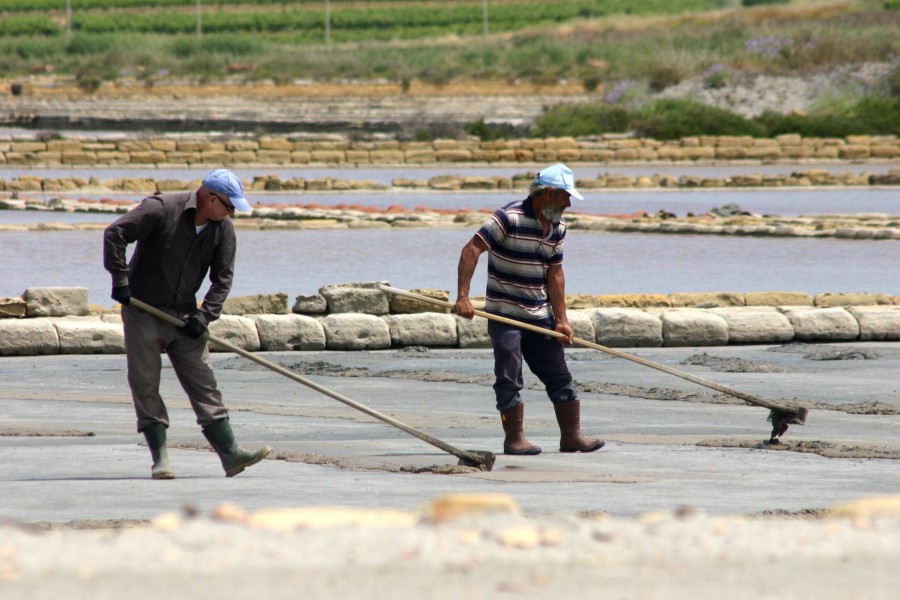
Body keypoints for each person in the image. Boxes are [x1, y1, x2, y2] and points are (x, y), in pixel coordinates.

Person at [103, 168, 271, 479]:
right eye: (229, 205)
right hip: (143, 311)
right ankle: (161, 459)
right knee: (145, 383)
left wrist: (204, 316)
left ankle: (231, 454)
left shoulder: (223, 228)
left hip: (183, 316)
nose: (232, 212)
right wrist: (120, 280)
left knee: (204, 382)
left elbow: (223, 278)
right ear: (210, 197)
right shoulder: (161, 209)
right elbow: (115, 234)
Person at [454, 163, 604, 456]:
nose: (569, 204)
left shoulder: (558, 227)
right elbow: (471, 249)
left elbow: (555, 274)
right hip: (505, 314)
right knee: (509, 375)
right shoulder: (508, 217)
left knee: (558, 374)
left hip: (540, 316)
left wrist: (562, 320)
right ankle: (514, 440)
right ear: (548, 194)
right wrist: (463, 297)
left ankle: (571, 436)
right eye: (565, 196)